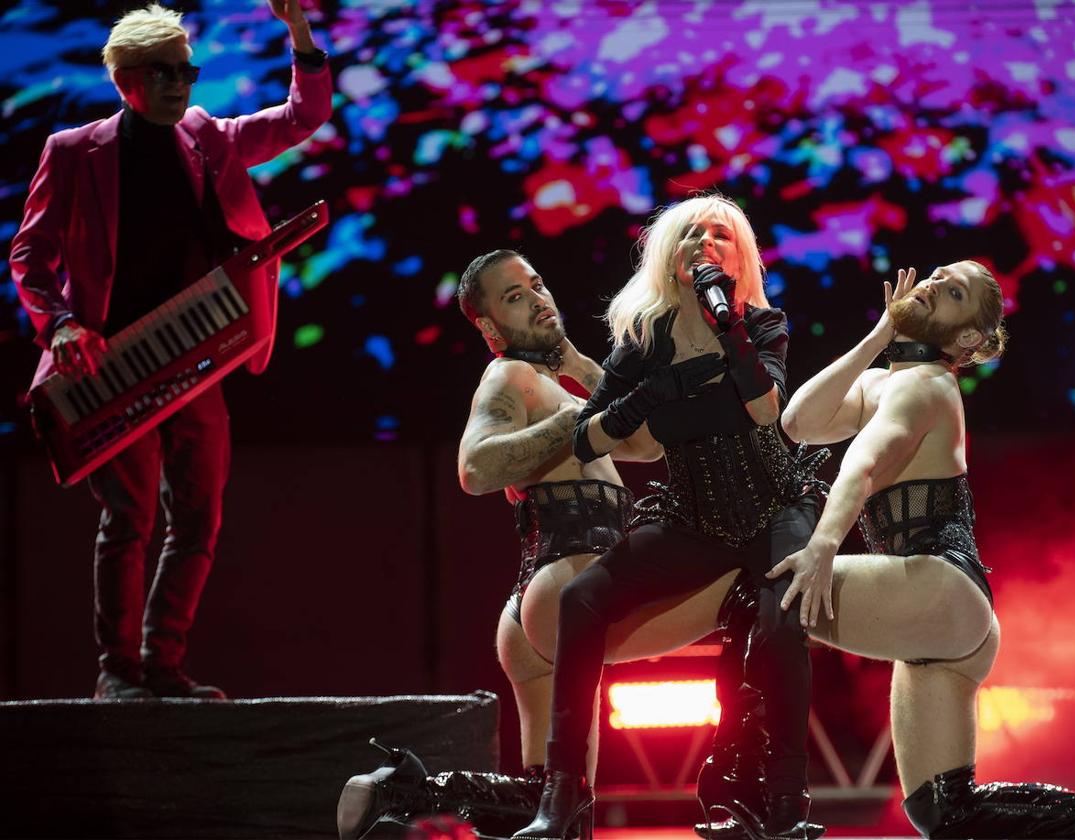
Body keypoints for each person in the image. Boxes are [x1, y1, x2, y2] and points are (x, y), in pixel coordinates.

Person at [757, 261, 1075, 838]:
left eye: (954, 290)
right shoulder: (887, 381)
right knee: (944, 812)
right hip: (949, 615)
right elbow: (798, 422)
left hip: (939, 587)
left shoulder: (927, 386)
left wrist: (821, 547)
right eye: (939, 274)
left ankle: (770, 803)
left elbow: (860, 468)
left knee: (765, 591)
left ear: (966, 337)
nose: (936, 282)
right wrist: (880, 335)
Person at [335, 249, 746, 840]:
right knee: (754, 588)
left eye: (537, 284)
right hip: (570, 581)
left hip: (544, 601)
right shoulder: (511, 377)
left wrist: (580, 366)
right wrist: (575, 421)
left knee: (552, 800)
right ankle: (751, 795)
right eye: (514, 297)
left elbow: (648, 444)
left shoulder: (555, 383)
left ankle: (407, 789)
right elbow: (475, 469)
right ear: (488, 325)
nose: (538, 299)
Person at [10, 1, 332, 699]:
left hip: (197, 355)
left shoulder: (206, 136)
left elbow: (299, 119)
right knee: (129, 517)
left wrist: (299, 36)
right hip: (111, 360)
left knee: (198, 516)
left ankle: (163, 665)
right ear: (127, 79)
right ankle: (117, 672)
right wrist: (61, 324)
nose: (180, 83)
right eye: (164, 72)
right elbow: (30, 252)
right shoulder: (74, 151)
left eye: (187, 69)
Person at [514, 195, 826, 840]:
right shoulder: (646, 339)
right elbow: (588, 437)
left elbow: (766, 411)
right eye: (692, 235)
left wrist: (702, 364)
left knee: (781, 626)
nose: (706, 244)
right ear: (671, 255)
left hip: (777, 508)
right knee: (581, 600)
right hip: (694, 518)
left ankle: (789, 802)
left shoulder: (764, 323)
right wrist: (662, 391)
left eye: (721, 236)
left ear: (741, 257)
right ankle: (564, 792)